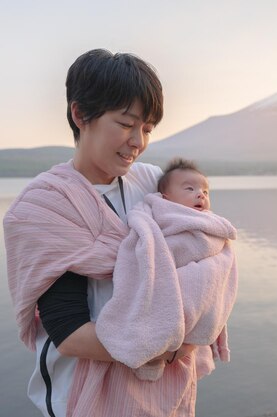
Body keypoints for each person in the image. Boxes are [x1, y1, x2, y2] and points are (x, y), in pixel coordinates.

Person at [3, 49, 201, 417]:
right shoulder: (46, 206)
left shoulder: (153, 184)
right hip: (84, 399)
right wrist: (171, 346)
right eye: (126, 124)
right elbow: (70, 331)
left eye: (147, 129)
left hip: (162, 396)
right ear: (81, 115)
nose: (138, 142)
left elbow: (201, 251)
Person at [95, 158, 237, 381]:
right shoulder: (158, 216)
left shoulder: (211, 224)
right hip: (169, 276)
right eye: (190, 189)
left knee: (204, 284)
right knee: (160, 299)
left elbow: (220, 258)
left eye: (205, 191)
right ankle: (155, 339)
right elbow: (153, 249)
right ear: (166, 198)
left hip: (195, 280)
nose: (200, 194)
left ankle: (178, 333)